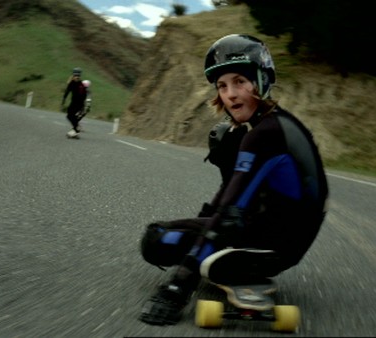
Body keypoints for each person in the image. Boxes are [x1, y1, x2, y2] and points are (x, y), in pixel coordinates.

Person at [138, 34, 329, 326]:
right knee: (162, 239)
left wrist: (177, 287)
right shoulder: (276, 123)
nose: (230, 94)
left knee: (160, 239)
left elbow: (229, 212)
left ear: (262, 81)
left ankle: (237, 267)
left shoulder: (265, 134)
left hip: (272, 246)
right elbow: (233, 192)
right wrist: (203, 222)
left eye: (240, 81)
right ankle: (231, 263)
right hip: (277, 236)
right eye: (222, 86)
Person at [61, 67, 87, 138]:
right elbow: (67, 92)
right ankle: (76, 129)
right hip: (74, 103)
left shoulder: (80, 84)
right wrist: (63, 100)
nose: (77, 77)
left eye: (78, 76)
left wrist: (83, 106)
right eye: (76, 76)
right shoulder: (75, 83)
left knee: (70, 116)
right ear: (73, 75)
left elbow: (84, 95)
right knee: (71, 116)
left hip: (78, 104)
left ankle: (76, 129)